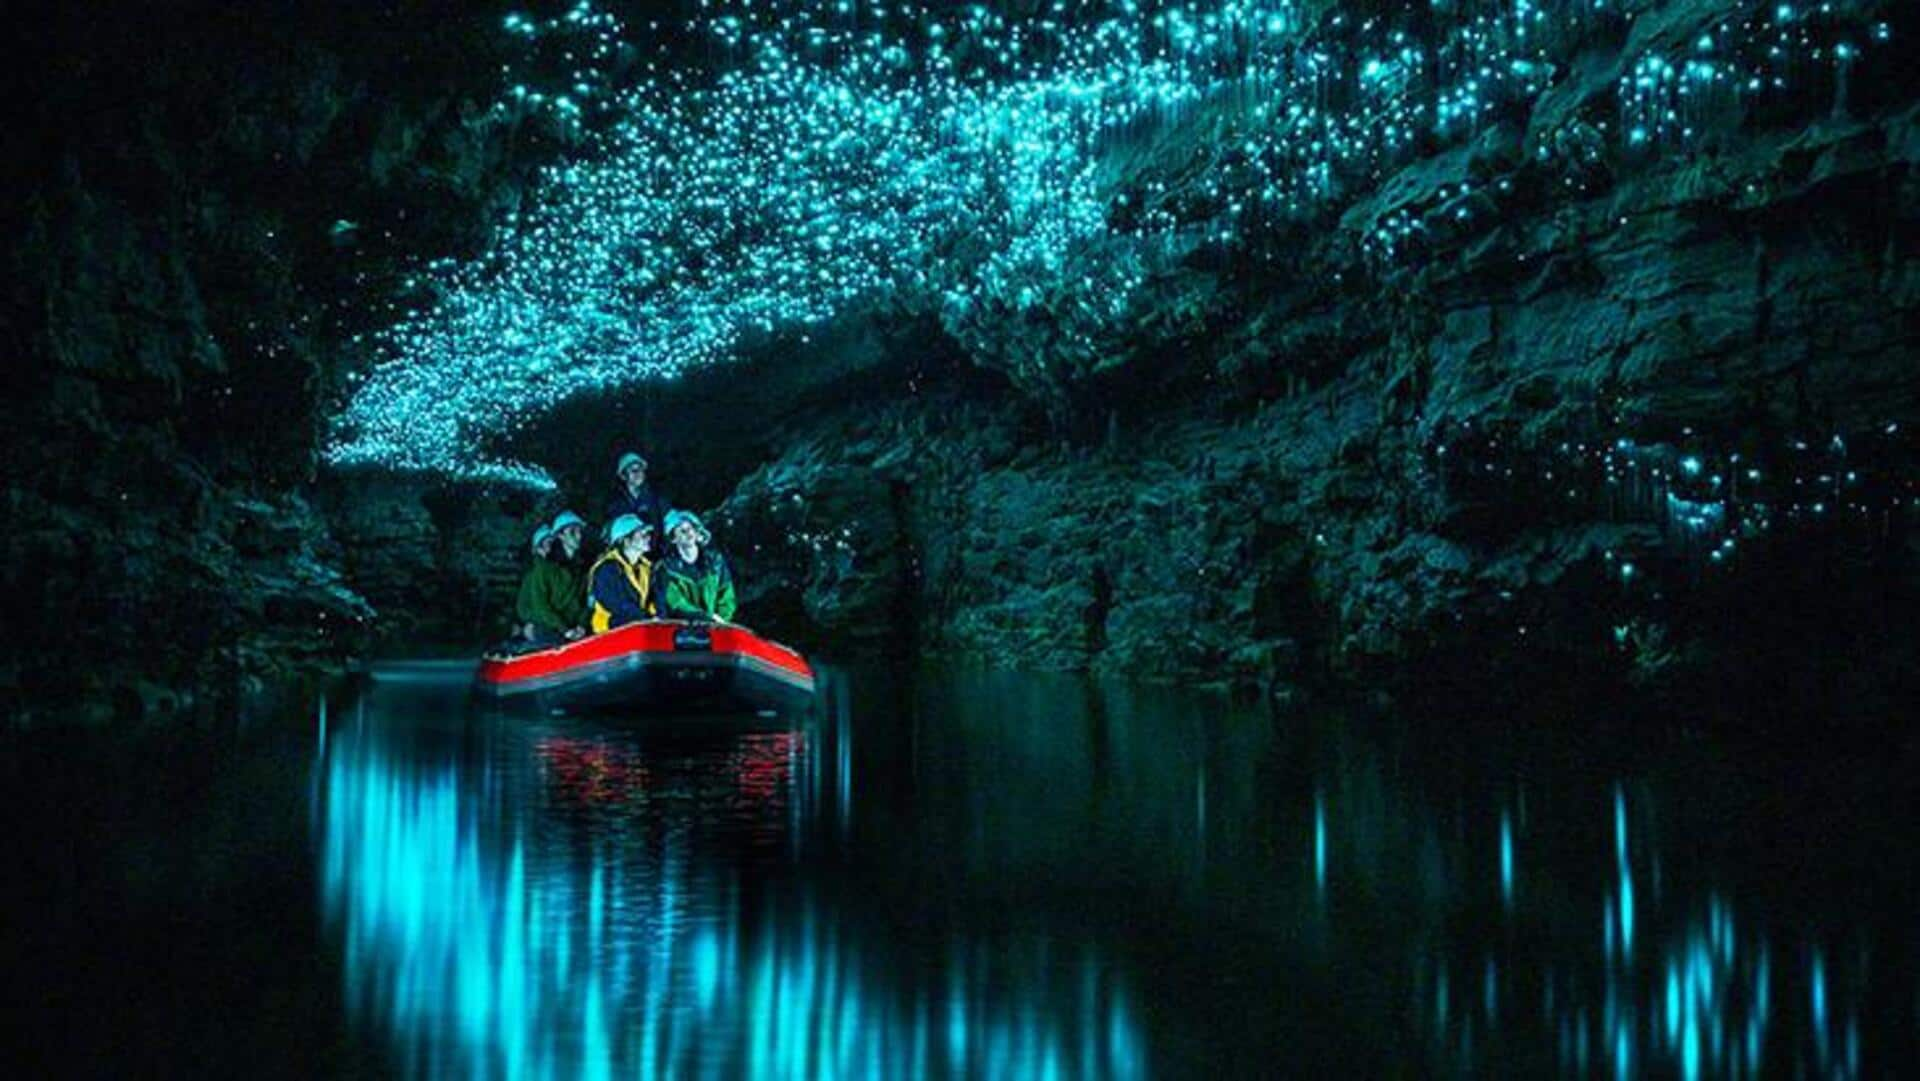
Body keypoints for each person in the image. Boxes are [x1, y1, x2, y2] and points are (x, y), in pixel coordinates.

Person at [652, 509, 737, 623]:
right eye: (682, 531)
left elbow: (727, 595)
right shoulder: (666, 569)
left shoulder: (715, 561)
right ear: (673, 538)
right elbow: (677, 603)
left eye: (690, 528)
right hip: (682, 631)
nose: (689, 533)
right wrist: (707, 618)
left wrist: (721, 620)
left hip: (716, 629)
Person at [515, 520, 587, 643]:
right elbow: (537, 607)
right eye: (546, 544)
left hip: (564, 624)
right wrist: (564, 629)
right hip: (547, 624)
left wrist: (580, 625)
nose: (549, 548)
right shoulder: (538, 572)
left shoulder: (576, 568)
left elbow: (580, 601)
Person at [587, 513, 656, 632]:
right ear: (625, 540)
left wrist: (656, 614)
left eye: (647, 534)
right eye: (642, 534)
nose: (648, 537)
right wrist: (646, 618)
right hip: (608, 630)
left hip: (639, 625)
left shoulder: (646, 567)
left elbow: (654, 598)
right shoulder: (606, 569)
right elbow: (617, 605)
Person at [606, 451, 667, 545]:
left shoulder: (656, 498)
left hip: (654, 550)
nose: (638, 473)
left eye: (641, 470)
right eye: (634, 471)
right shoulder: (614, 503)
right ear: (623, 476)